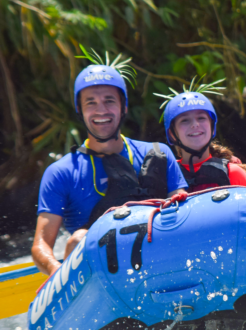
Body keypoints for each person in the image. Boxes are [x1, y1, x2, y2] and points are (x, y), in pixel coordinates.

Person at [32, 63, 187, 276]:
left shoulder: (159, 154)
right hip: (100, 277)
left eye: (109, 101)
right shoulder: (60, 172)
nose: (101, 110)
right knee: (77, 239)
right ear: (80, 110)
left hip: (161, 263)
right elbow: (40, 245)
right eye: (91, 103)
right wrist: (58, 273)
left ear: (123, 106)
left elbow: (184, 216)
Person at [161, 88, 246, 191]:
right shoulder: (165, 176)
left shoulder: (233, 173)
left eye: (201, 118)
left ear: (212, 127)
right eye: (184, 120)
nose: (195, 125)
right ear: (172, 134)